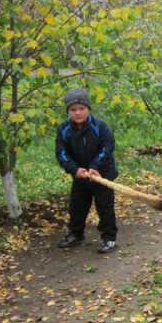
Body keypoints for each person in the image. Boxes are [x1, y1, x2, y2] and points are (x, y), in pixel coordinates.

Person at [55, 87, 120, 254]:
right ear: (68, 111)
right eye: (73, 109)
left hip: (102, 174)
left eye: (81, 108)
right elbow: (61, 153)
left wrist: (95, 166)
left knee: (104, 207)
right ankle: (76, 234)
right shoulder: (63, 129)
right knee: (77, 206)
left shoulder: (100, 126)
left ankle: (109, 238)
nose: (78, 113)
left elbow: (108, 147)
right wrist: (75, 169)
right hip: (80, 175)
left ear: (88, 109)